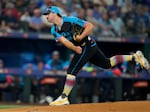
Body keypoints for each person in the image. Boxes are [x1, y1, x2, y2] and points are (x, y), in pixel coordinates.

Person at [42, 6, 150, 106]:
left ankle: (64, 97)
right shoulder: (54, 30)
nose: (46, 16)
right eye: (45, 14)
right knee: (107, 64)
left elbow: (90, 26)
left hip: (87, 45)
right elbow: (65, 42)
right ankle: (135, 57)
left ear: (55, 13)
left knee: (71, 71)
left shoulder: (70, 20)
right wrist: (75, 48)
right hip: (84, 47)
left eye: (48, 14)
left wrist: (81, 37)